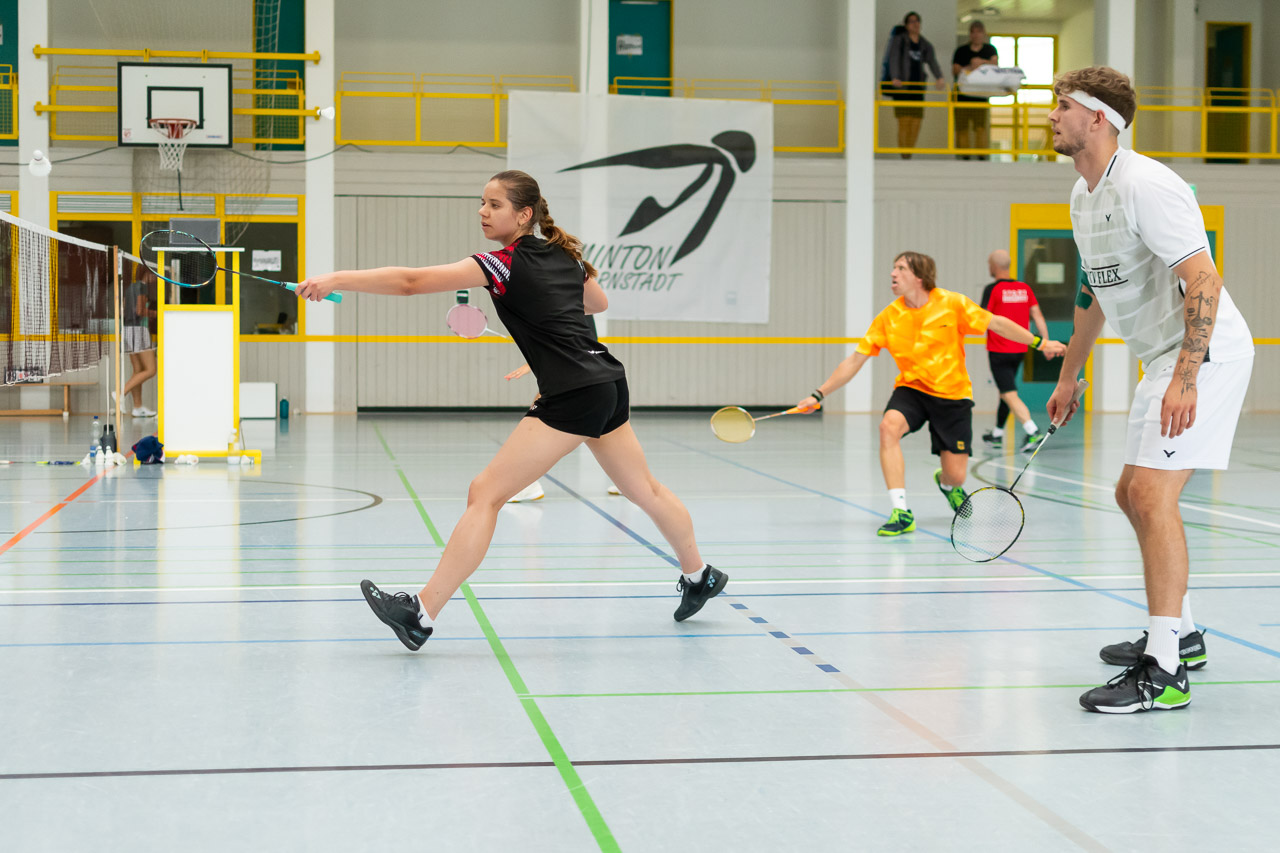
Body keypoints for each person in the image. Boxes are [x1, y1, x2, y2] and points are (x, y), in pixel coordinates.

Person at [296, 170, 726, 649]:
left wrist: (334, 279)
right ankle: (700, 575)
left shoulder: (499, 264)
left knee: (485, 493)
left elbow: (411, 282)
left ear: (523, 215)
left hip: (573, 393)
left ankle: (420, 613)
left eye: (495, 205)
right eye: (482, 203)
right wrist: (552, 341)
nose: (483, 212)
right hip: (607, 381)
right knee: (645, 489)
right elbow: (596, 301)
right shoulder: (564, 255)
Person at [1045, 67, 1254, 713]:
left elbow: (1204, 280)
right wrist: (1069, 374)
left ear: (1097, 117)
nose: (1051, 116)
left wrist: (1186, 375)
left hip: (1204, 353)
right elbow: (1093, 291)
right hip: (1160, 357)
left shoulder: (1146, 184)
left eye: (1061, 106)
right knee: (1127, 493)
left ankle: (1164, 672)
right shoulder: (1083, 195)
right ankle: (1180, 633)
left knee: (1149, 494)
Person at [796, 251, 1065, 536]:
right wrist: (818, 395)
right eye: (894, 268)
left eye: (901, 268)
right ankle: (901, 512)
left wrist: (1040, 343)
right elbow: (854, 361)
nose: (893, 273)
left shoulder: (952, 304)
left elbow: (997, 323)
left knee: (956, 474)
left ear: (919, 277)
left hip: (952, 395)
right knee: (888, 427)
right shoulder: (889, 317)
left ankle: (948, 484)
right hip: (912, 390)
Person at [979, 250, 1051, 453]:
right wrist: (1045, 343)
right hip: (1020, 349)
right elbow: (1037, 315)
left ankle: (1032, 430)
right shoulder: (1024, 288)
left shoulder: (992, 289)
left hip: (999, 350)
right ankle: (997, 434)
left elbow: (982, 318)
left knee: (1008, 393)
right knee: (1006, 390)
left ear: (993, 266)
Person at [885, 11, 946, 158]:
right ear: (906, 25)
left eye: (917, 21)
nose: (915, 24)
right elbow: (893, 58)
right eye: (912, 21)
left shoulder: (924, 44)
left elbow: (932, 61)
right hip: (902, 88)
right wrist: (895, 77)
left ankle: (909, 153)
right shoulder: (899, 40)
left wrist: (939, 77)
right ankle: (904, 154)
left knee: (916, 122)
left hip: (918, 88)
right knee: (904, 122)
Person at [951, 21, 998, 159]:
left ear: (984, 33)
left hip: (980, 96)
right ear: (970, 34)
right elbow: (955, 70)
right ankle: (965, 156)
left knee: (980, 127)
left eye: (979, 32)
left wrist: (981, 62)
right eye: (973, 32)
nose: (976, 35)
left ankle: (981, 156)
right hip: (962, 96)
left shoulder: (990, 50)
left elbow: (995, 65)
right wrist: (970, 67)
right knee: (962, 128)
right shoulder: (961, 51)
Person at [116, 268, 157, 418]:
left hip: (127, 330)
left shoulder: (130, 288)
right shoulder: (142, 287)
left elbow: (124, 310)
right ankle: (121, 393)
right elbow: (140, 311)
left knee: (138, 370)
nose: (156, 277)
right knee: (151, 370)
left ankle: (137, 407)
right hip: (138, 330)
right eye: (154, 274)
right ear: (148, 274)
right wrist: (157, 313)